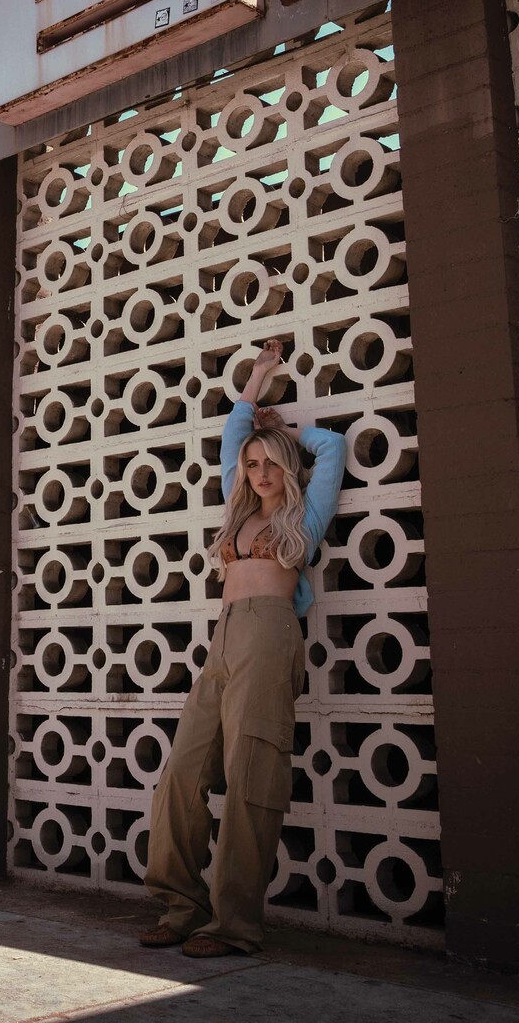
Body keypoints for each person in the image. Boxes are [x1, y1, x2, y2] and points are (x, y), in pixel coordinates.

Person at [140, 338, 347, 957]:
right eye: (253, 464)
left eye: (270, 463)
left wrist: (284, 432)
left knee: (251, 775)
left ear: (286, 466)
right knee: (182, 772)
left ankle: (233, 924)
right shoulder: (238, 508)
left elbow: (332, 447)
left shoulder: (305, 517)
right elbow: (232, 435)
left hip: (270, 633)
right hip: (225, 637)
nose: (259, 472)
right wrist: (258, 378)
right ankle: (181, 905)